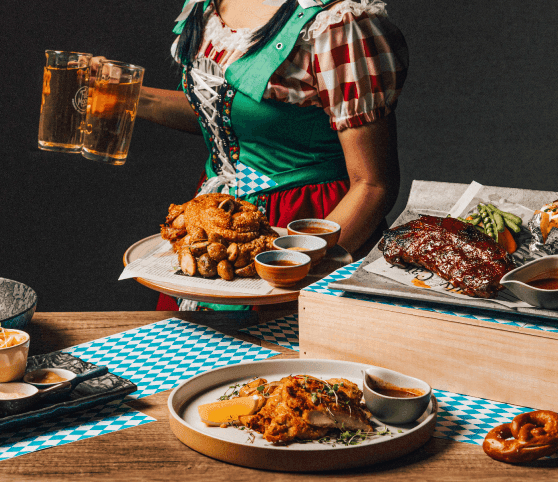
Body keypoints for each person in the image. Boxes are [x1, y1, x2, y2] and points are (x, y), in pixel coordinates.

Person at [119, 0, 408, 310]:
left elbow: (374, 184)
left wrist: (300, 264)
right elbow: (231, 119)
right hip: (215, 224)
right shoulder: (213, 5)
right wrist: (128, 95)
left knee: (275, 350)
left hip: (310, 222)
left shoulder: (338, 23)